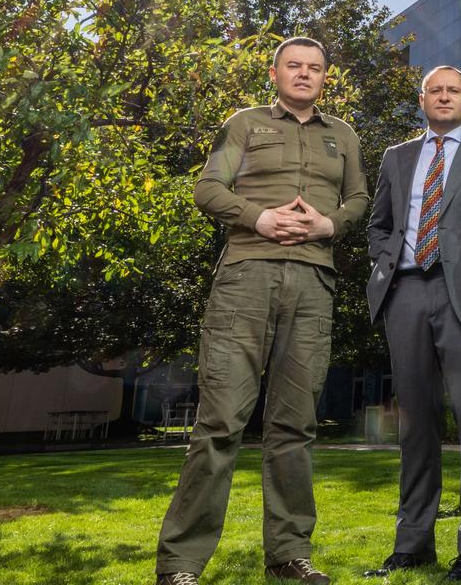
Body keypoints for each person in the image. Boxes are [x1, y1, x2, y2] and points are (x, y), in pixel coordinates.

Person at [155, 36, 368, 585]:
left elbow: (359, 201)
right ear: (275, 73)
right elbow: (207, 189)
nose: (304, 74)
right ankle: (181, 563)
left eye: (314, 68)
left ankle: (289, 556)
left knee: (295, 425)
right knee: (222, 420)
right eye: (294, 66)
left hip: (314, 279)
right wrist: (259, 217)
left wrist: (329, 225)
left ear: (325, 77)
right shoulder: (245, 124)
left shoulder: (343, 135)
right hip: (247, 275)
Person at [364, 65, 461, 581]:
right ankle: (413, 544)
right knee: (415, 426)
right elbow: (380, 224)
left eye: (453, 90)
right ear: (422, 99)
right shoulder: (396, 157)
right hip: (405, 295)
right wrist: (386, 268)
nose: (444, 97)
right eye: (435, 90)